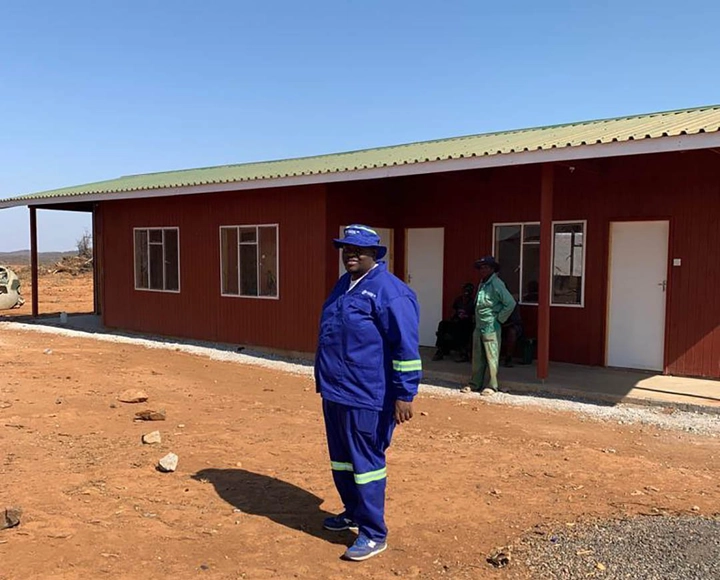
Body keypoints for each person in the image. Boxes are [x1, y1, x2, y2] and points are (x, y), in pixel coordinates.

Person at [315, 224, 421, 562]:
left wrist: (405, 395)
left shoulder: (391, 293)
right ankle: (353, 511)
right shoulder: (345, 286)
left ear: (375, 254)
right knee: (342, 462)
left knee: (367, 464)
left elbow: (405, 348)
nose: (351, 255)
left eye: (358, 250)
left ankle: (374, 533)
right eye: (346, 249)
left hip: (367, 396)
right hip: (335, 392)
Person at [462, 256, 516, 396]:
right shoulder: (482, 284)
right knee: (478, 356)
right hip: (479, 325)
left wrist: (499, 319)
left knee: (491, 356)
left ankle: (492, 386)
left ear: (493, 269)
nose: (483, 270)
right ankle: (475, 384)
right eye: (481, 267)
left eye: (486, 267)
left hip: (491, 325)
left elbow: (510, 303)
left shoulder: (497, 284)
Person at [432, 282, 475, 362]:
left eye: (468, 291)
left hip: (466, 323)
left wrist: (466, 316)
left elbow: (474, 316)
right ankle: (440, 350)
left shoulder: (473, 302)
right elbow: (453, 311)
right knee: (443, 324)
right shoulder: (458, 300)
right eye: (465, 290)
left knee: (461, 327)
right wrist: (453, 316)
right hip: (456, 320)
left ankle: (463, 353)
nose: (466, 293)